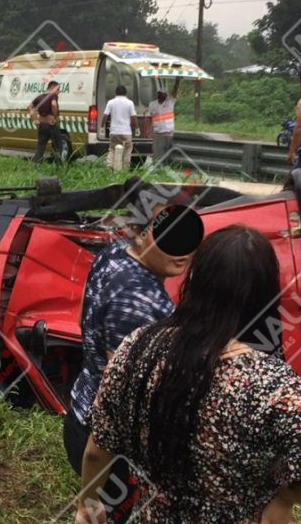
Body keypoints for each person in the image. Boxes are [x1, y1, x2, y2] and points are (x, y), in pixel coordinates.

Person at [76, 225, 301, 523]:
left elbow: (96, 450)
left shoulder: (136, 346)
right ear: (264, 296)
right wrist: (283, 495)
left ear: (193, 279)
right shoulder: (272, 385)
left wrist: (87, 506)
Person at [63, 204, 203, 476]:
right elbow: (124, 393)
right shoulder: (138, 302)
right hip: (109, 449)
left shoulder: (113, 253)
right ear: (139, 233)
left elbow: (82, 317)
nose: (182, 251)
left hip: (81, 415)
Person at [101, 85, 138, 169]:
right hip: (126, 132)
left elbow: (105, 115)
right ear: (126, 93)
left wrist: (102, 127)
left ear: (115, 92)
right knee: (127, 151)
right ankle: (125, 169)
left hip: (114, 132)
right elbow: (134, 117)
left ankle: (110, 167)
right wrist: (137, 128)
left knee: (112, 150)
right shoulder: (130, 103)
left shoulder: (111, 102)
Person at [148, 78, 181, 159]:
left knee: (168, 153)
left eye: (163, 94)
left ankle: (166, 167)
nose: (161, 96)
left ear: (166, 95)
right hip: (158, 133)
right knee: (157, 153)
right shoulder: (152, 104)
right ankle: (157, 168)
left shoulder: (170, 102)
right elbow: (150, 118)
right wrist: (149, 131)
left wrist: (177, 81)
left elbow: (175, 92)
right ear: (157, 94)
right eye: (159, 94)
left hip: (169, 132)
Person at [30, 81, 62, 164]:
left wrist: (35, 119)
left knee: (40, 148)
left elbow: (30, 107)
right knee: (58, 146)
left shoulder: (40, 97)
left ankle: (36, 166)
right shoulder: (53, 95)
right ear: (52, 88)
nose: (59, 92)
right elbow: (54, 104)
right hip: (51, 125)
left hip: (42, 125)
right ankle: (59, 167)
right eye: (58, 89)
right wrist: (55, 117)